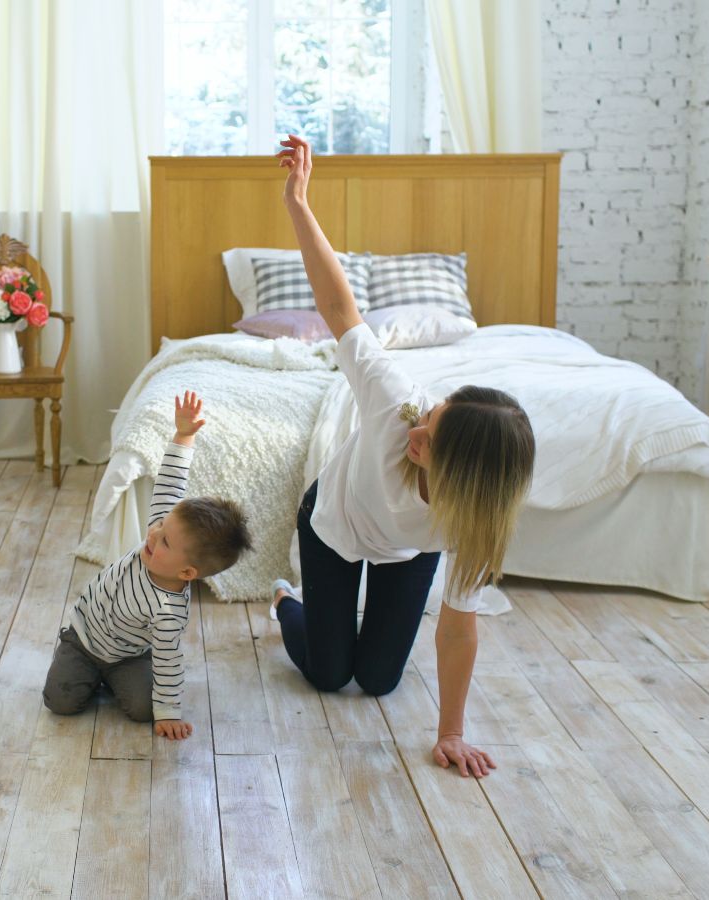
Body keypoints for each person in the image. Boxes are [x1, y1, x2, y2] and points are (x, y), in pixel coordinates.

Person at [270, 134, 535, 778]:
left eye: (431, 444)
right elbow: (340, 308)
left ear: (466, 482)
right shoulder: (399, 401)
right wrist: (299, 203)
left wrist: (451, 733)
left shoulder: (475, 521)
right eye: (429, 420)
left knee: (380, 681)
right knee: (331, 676)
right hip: (333, 524)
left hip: (406, 552)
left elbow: (458, 627)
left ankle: (340, 624)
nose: (416, 433)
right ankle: (285, 600)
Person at [42, 391, 252, 740]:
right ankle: (83, 668)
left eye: (165, 541)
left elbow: (170, 662)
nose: (153, 535)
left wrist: (168, 713)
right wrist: (184, 435)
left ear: (186, 573)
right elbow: (171, 481)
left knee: (144, 711)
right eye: (161, 525)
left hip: (127, 654)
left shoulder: (168, 612)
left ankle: (115, 676)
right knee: (59, 702)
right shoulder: (161, 530)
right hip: (83, 636)